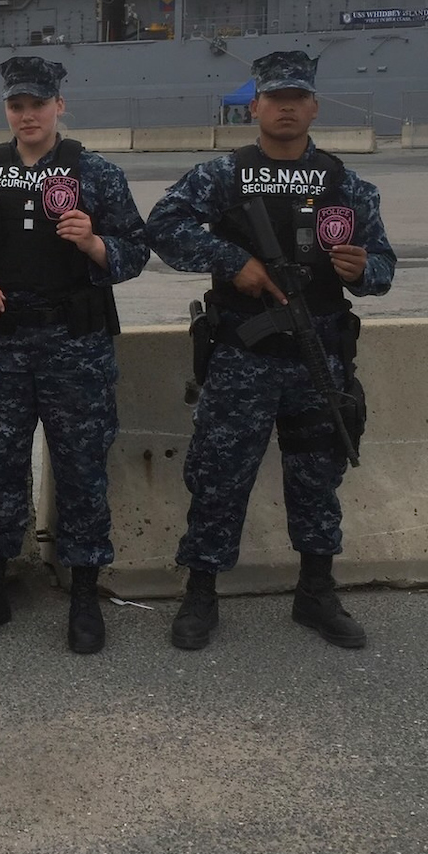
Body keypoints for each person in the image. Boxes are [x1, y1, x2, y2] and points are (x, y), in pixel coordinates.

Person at [146, 51, 395, 651]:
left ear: (313, 106)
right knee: (219, 476)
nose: (287, 107)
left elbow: (385, 268)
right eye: (275, 97)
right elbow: (163, 226)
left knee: (317, 477)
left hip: (321, 355)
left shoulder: (346, 182)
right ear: (254, 106)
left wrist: (362, 269)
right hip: (243, 355)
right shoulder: (223, 176)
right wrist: (236, 264)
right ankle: (201, 593)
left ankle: (316, 592)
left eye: (298, 98)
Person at [0, 57, 149, 653]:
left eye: (38, 104)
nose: (27, 115)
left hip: (74, 346)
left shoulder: (95, 173)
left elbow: (135, 250)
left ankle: (83, 592)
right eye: (16, 106)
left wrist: (95, 242)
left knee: (81, 468)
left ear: (59, 107)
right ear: (7, 110)